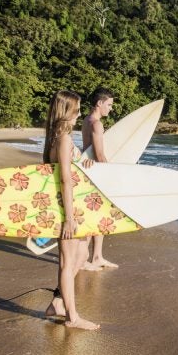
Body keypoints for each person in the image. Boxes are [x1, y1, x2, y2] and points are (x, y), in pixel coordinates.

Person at [42, 90, 100, 330]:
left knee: (80, 255)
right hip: (66, 209)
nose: (79, 114)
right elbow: (65, 179)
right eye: (76, 110)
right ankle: (72, 318)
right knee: (68, 262)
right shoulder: (63, 139)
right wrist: (68, 219)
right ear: (67, 111)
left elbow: (65, 171)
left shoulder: (55, 137)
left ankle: (57, 302)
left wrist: (83, 162)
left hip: (70, 206)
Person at [81, 87, 119, 270]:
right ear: (99, 103)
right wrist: (111, 175)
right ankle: (83, 259)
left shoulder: (86, 121)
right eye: (109, 104)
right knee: (93, 217)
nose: (111, 109)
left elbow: (86, 150)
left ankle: (96, 257)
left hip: (88, 170)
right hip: (95, 174)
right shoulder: (97, 124)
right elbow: (100, 155)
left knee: (99, 215)